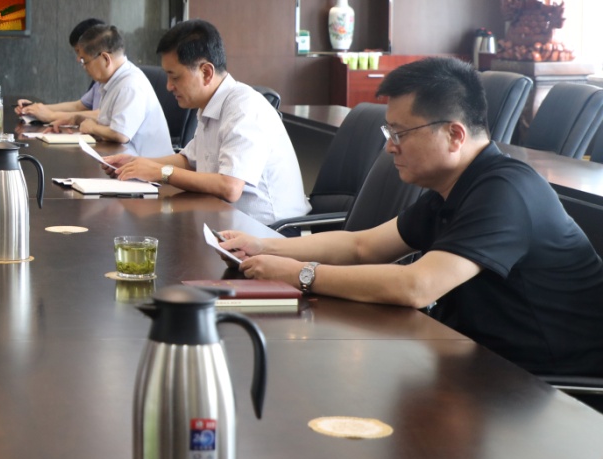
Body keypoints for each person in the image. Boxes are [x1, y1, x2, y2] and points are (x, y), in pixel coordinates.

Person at [222, 56, 603, 377]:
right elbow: (362, 245)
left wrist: (301, 275)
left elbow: (417, 286)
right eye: (389, 131)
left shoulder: (506, 192)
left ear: (454, 135)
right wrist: (262, 246)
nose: (390, 147)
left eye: (400, 133)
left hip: (545, 385)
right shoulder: (454, 187)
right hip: (478, 360)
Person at [107, 19, 308, 225]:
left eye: (175, 77)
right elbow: (190, 161)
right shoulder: (211, 105)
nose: (169, 86)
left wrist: (160, 172)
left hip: (272, 231)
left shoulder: (244, 108)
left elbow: (230, 187)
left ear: (206, 72)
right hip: (229, 223)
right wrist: (136, 163)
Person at [71, 24, 171, 154]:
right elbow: (108, 122)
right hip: (123, 158)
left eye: (85, 62)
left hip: (146, 164)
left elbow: (120, 134)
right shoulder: (113, 80)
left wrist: (92, 128)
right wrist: (76, 119)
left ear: (105, 59)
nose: (84, 67)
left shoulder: (130, 85)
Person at [15, 18, 105, 124]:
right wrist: (37, 108)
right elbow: (79, 106)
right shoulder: (99, 81)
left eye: (81, 53)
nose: (79, 59)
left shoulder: (120, 82)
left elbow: (102, 115)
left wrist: (51, 116)